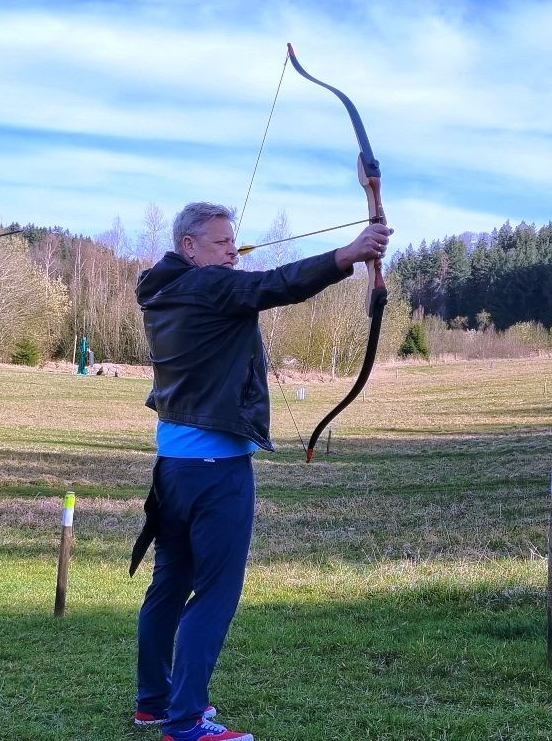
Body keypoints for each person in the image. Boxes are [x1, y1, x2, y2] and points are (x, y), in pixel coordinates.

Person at [131, 202, 391, 741]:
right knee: (216, 593)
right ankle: (185, 723)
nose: (232, 250)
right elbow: (277, 285)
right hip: (216, 470)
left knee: (169, 584)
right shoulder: (209, 288)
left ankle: (154, 702)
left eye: (234, 241)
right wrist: (349, 254)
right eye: (221, 242)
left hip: (174, 468)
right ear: (190, 247)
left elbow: (259, 288)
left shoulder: (164, 290)